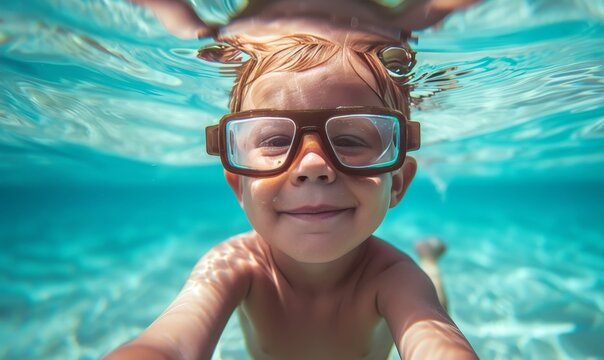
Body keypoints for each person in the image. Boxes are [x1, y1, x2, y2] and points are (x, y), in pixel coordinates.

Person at [107, 1, 478, 359]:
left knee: (434, 301)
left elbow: (434, 340)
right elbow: (171, 344)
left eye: (349, 140)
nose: (312, 164)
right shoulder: (235, 265)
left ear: (397, 183)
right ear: (239, 185)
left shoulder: (395, 277)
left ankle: (430, 260)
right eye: (275, 141)